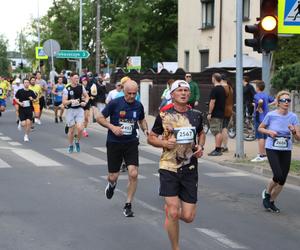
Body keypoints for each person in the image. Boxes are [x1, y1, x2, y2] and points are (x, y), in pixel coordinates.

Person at [147, 79, 206, 250]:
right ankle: (175, 247)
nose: (183, 93)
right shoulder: (164, 115)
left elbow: (201, 133)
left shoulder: (196, 115)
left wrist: (200, 146)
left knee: (188, 217)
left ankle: (172, 215)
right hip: (168, 166)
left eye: (186, 90)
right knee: (173, 211)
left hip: (190, 167)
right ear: (172, 94)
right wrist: (164, 144)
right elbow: (151, 137)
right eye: (179, 90)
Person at [96, 80, 149, 217]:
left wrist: (146, 130)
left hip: (131, 143)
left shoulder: (138, 105)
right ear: (124, 92)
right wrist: (112, 127)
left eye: (134, 93)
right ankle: (112, 184)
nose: (132, 96)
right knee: (113, 176)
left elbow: (142, 119)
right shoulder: (115, 103)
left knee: (133, 173)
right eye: (129, 93)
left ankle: (128, 205)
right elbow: (99, 118)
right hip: (114, 142)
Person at [259, 91, 300, 213]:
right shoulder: (271, 115)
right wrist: (269, 132)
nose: (286, 102)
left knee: (283, 179)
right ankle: (266, 193)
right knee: (278, 175)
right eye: (283, 100)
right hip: (272, 148)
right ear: (278, 102)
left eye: (288, 100)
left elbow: (298, 137)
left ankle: (271, 201)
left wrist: (293, 131)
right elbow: (260, 128)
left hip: (286, 149)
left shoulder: (293, 117)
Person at [62, 72, 89, 153]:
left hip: (79, 110)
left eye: (78, 78)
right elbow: (64, 102)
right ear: (71, 79)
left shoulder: (81, 87)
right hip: (70, 110)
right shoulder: (67, 88)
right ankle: (70, 145)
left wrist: (85, 102)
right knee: (71, 130)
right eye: (75, 78)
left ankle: (77, 142)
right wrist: (71, 101)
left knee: (80, 128)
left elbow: (86, 96)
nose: (77, 80)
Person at [251, 80, 275, 162]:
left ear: (257, 87)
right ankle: (264, 153)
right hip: (266, 118)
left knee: (260, 137)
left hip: (259, 118)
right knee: (265, 136)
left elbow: (260, 101)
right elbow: (275, 101)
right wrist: (267, 105)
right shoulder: (266, 95)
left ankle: (261, 155)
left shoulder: (256, 95)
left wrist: (258, 107)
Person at [207, 73, 226, 156]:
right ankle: (218, 148)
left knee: (216, 132)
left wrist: (210, 112)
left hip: (215, 113)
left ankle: (217, 150)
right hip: (221, 113)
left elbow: (212, 102)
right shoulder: (222, 89)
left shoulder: (215, 89)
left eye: (212, 78)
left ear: (214, 78)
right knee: (219, 131)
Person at [221, 74, 234, 152]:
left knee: (223, 128)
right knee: (225, 127)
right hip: (229, 110)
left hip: (223, 110)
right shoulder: (230, 88)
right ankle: (225, 145)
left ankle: (224, 146)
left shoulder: (223, 88)